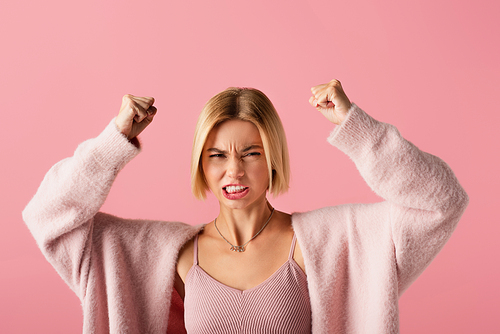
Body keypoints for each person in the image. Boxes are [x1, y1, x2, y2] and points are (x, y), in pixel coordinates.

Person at [23, 80, 468, 333]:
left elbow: (440, 202)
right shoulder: (169, 255)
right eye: (217, 155)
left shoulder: (332, 242)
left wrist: (358, 129)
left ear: (272, 157)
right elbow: (47, 216)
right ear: (201, 162)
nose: (233, 171)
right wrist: (112, 141)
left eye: (251, 153)